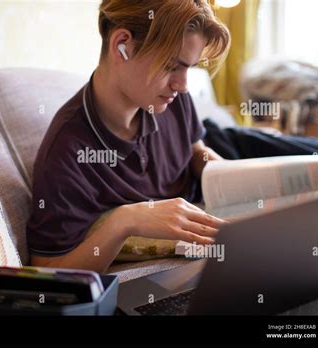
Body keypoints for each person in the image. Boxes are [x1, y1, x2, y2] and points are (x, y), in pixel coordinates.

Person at [27, 0, 232, 272]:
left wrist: (232, 177)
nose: (182, 86)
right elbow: (46, 268)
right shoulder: (66, 152)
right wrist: (125, 220)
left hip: (220, 208)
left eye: (188, 68)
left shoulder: (172, 100)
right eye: (172, 66)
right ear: (122, 45)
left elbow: (196, 150)